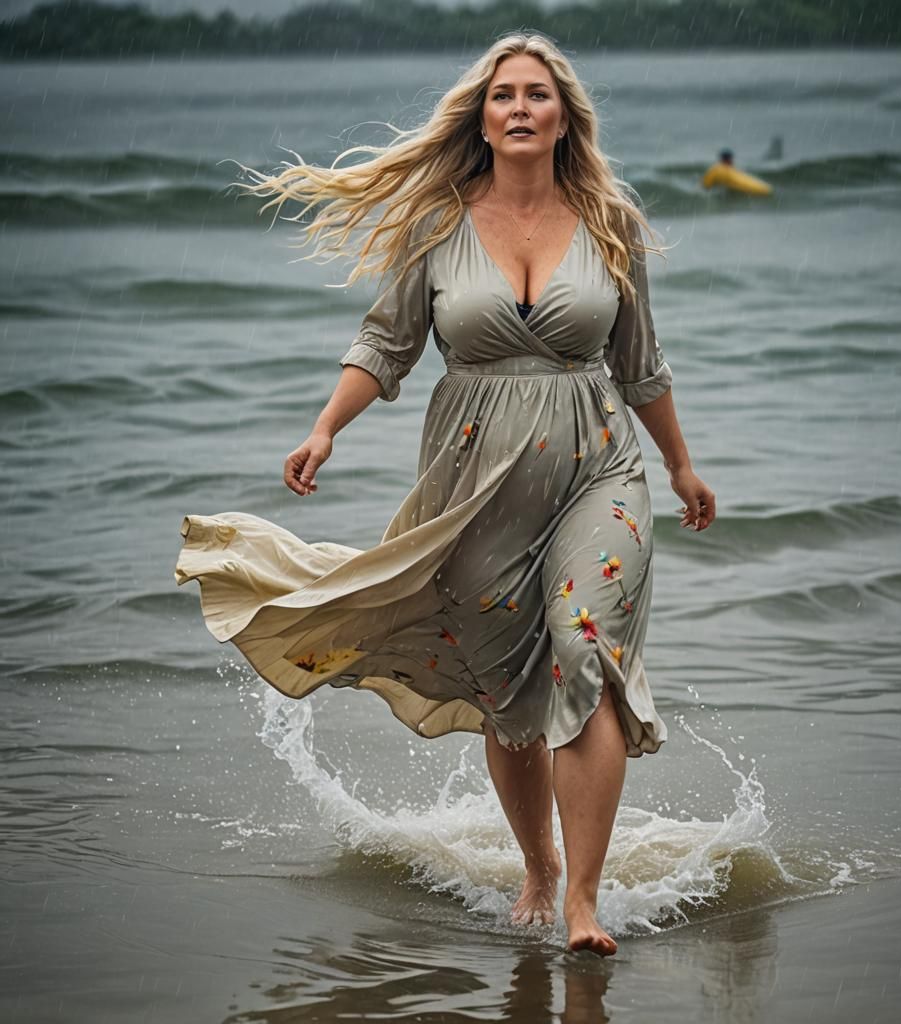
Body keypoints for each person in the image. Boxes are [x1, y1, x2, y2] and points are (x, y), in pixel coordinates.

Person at [174, 31, 716, 957]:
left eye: (536, 94)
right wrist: (325, 426)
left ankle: (583, 902)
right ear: (482, 115)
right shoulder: (439, 224)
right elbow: (386, 344)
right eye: (502, 94)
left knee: (585, 652)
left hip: (600, 467)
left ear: (561, 117)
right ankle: (538, 871)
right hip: (477, 485)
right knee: (508, 691)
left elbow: (639, 363)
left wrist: (677, 464)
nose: (518, 107)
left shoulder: (610, 221)